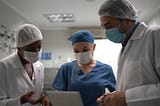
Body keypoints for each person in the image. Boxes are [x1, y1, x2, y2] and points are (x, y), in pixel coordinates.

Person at [97, 0, 160, 106]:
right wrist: (113, 97)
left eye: (108, 25)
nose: (106, 32)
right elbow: (131, 85)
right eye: (104, 27)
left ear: (127, 20)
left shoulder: (154, 35)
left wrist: (126, 97)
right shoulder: (126, 44)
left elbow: (129, 96)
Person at [52, 30, 116, 106]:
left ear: (94, 47)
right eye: (76, 51)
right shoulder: (66, 69)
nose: (81, 54)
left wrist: (107, 99)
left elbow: (116, 94)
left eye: (85, 50)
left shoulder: (105, 69)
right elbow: (58, 96)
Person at [0, 24, 51, 106]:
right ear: (19, 48)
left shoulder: (39, 66)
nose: (36, 51)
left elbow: (39, 92)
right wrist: (21, 100)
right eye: (31, 50)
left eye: (39, 47)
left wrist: (43, 98)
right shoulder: (4, 67)